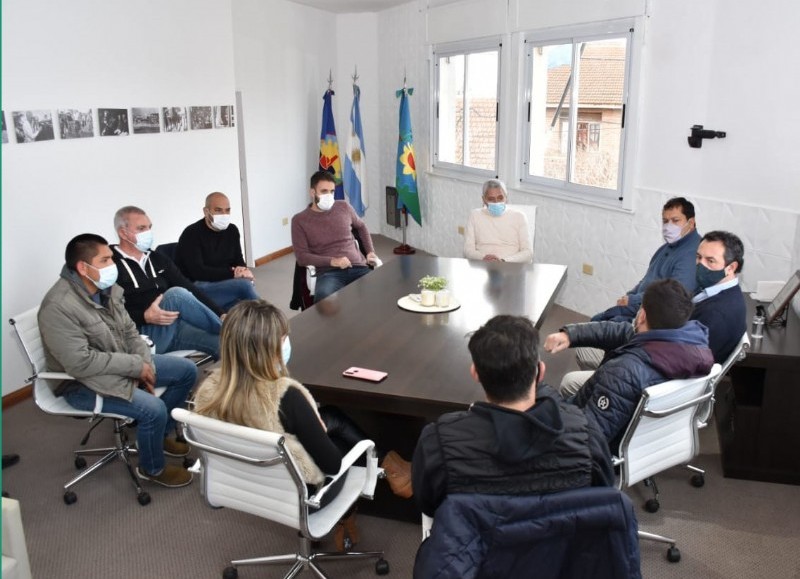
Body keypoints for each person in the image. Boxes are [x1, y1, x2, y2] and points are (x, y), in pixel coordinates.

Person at [193, 299, 411, 550]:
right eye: (283, 338)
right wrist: (313, 425)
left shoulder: (209, 390)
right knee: (347, 443)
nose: (287, 342)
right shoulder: (287, 398)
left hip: (245, 485)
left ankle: (392, 468)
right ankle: (350, 514)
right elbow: (332, 465)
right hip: (301, 493)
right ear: (270, 349)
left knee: (330, 415)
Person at [411, 315, 614, 518]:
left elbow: (428, 504)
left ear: (476, 374)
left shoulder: (439, 442)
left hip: (477, 547)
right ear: (540, 372)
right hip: (559, 545)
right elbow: (601, 498)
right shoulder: (586, 433)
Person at [38, 234, 196, 487]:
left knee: (187, 371)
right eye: (106, 259)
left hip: (120, 362)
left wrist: (143, 362)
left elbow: (130, 332)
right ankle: (152, 468)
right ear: (83, 267)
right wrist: (135, 367)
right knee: (152, 409)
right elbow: (80, 363)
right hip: (80, 382)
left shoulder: (106, 290)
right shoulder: (58, 306)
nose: (114, 265)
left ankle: (158, 435)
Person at [544, 279, 714, 449]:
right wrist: (571, 335)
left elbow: (587, 440)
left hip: (596, 443)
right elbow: (625, 332)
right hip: (650, 441)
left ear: (642, 315)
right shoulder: (690, 345)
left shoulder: (623, 373)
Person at [576, 197, 702, 371]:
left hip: (649, 316)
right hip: (638, 306)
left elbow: (673, 297)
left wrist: (633, 301)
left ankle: (604, 376)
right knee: (596, 322)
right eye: (665, 221)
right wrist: (630, 295)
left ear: (691, 222)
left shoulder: (690, 255)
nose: (668, 226)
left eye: (675, 220)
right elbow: (647, 279)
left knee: (591, 333)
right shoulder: (668, 247)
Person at [111, 206, 223, 360]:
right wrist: (144, 316)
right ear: (123, 233)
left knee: (227, 345)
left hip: (171, 327)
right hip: (141, 337)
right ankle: (231, 330)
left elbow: (189, 288)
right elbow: (108, 311)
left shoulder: (157, 259)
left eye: (149, 227)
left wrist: (221, 313)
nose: (148, 233)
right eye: (141, 228)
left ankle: (231, 334)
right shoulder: (110, 265)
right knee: (175, 295)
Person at [291, 171, 380, 302]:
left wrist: (370, 252)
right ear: (312, 192)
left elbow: (361, 226)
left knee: (382, 291)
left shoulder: (343, 206)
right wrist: (333, 261)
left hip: (358, 267)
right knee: (325, 302)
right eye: (324, 191)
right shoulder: (300, 220)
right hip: (329, 273)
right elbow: (302, 257)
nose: (329, 196)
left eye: (332, 191)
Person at [174, 192, 259, 311]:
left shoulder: (232, 230)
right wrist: (234, 274)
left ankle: (239, 322)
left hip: (224, 281)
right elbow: (198, 272)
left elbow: (238, 260)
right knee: (244, 287)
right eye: (218, 210)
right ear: (206, 211)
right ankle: (268, 320)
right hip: (198, 285)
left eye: (227, 210)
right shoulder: (192, 233)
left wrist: (243, 271)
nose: (224, 214)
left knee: (243, 298)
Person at [692, 230, 747, 363]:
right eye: (698, 257)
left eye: (710, 261)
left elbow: (689, 361)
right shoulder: (727, 293)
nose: (701, 265)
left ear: (731, 268)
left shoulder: (716, 313)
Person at [463, 179, 533, 263]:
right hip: (483, 264)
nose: (496, 202)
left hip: (510, 265)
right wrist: (483, 257)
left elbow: (528, 253)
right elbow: (468, 250)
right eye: (491, 199)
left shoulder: (519, 217)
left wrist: (503, 261)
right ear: (484, 199)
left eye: (500, 198)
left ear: (506, 197)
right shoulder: (475, 215)